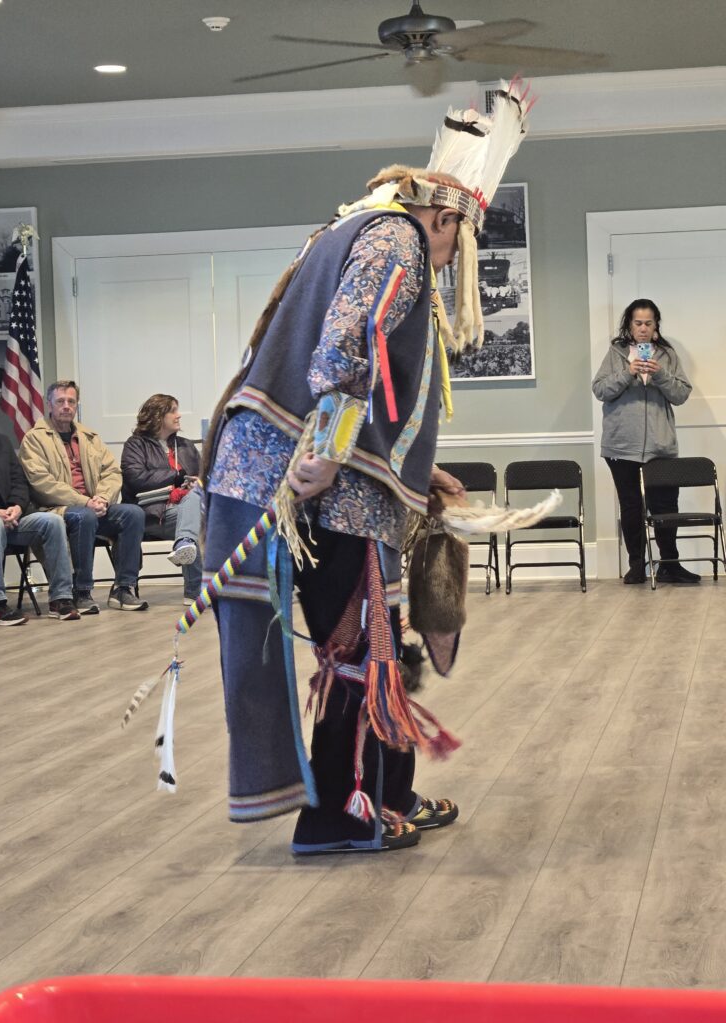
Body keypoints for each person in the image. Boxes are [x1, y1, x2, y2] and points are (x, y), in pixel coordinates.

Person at [201, 84, 532, 854]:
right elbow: (343, 349)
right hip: (313, 483)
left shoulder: (356, 227)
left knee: (371, 642)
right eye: (459, 243)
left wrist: (416, 471)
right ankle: (337, 818)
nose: (450, 262)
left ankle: (386, 794)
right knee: (357, 650)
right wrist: (324, 451)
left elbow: (371, 374)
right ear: (445, 218)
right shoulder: (399, 240)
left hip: (295, 470)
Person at [592, 298, 698, 585]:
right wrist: (627, 372)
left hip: (660, 446)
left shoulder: (667, 354)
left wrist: (659, 374)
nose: (642, 328)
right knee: (631, 507)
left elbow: (681, 395)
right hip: (620, 445)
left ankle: (669, 565)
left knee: (666, 507)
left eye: (648, 323)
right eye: (637, 323)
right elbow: (600, 390)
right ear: (629, 325)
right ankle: (637, 565)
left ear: (655, 326)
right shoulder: (615, 353)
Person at [18, 380, 149, 612]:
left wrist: (103, 498)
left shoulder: (89, 437)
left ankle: (123, 588)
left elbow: (112, 472)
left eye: (71, 401)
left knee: (133, 513)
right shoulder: (34, 439)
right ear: (49, 404)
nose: (66, 406)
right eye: (60, 401)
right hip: (57, 510)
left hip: (94, 505)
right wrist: (85, 502)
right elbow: (41, 483)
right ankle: (81, 591)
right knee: (84, 516)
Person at [0, 387, 79, 624]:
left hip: (9, 518)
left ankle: (61, 598)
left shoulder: (0, 441)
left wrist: (17, 506)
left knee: (52, 521)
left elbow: (19, 481)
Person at [120, 394, 202, 605]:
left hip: (186, 509)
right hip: (153, 513)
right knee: (198, 521)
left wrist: (198, 482)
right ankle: (196, 591)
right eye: (173, 410)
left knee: (197, 504)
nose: (179, 415)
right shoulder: (135, 445)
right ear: (158, 416)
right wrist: (175, 477)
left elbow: (206, 476)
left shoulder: (185, 446)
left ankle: (185, 543)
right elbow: (136, 478)